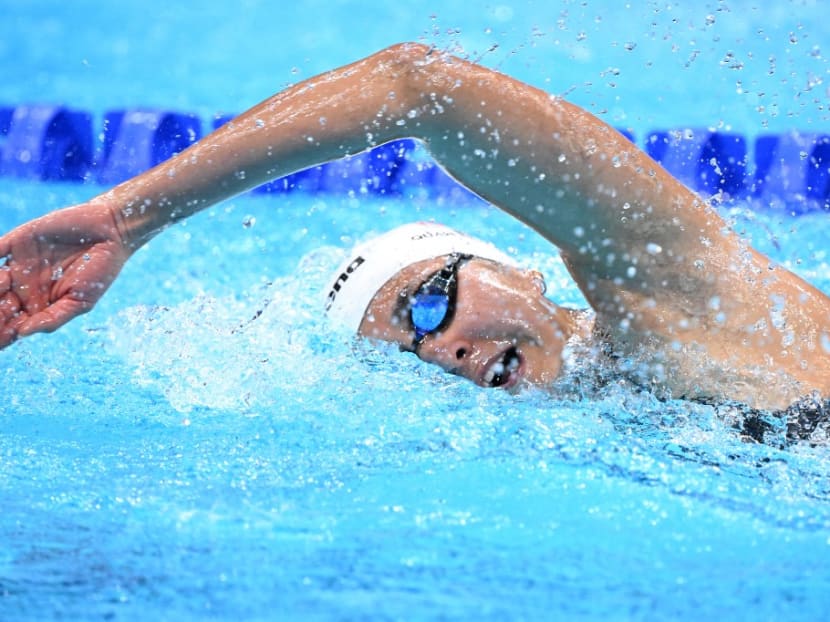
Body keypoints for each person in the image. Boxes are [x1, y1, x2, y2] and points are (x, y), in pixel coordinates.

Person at [1, 42, 828, 434]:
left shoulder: (673, 299)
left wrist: (126, 218)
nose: (440, 355)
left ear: (520, 272)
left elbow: (418, 87)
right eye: (404, 356)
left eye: (427, 307)